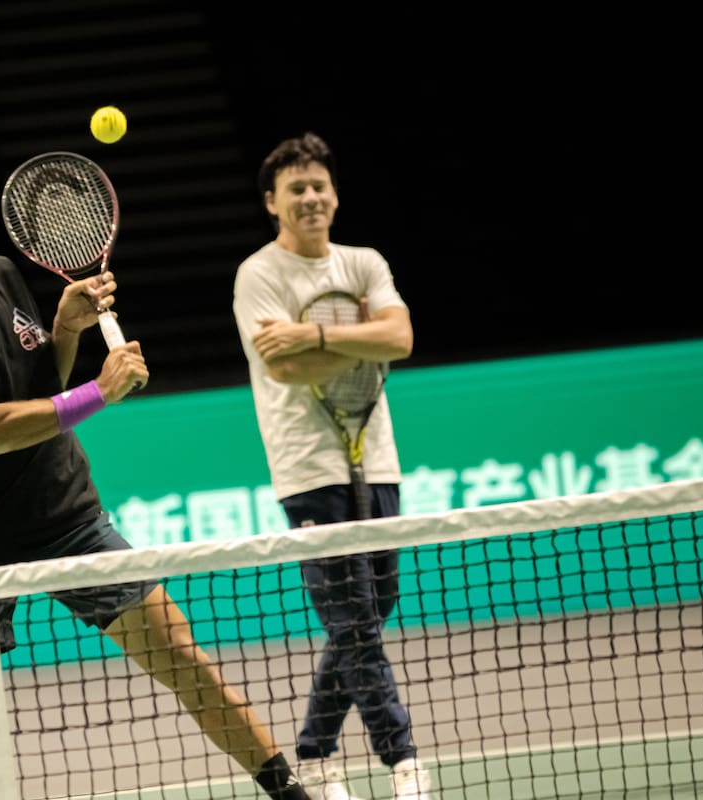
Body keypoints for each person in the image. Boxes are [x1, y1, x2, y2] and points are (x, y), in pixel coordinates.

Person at [0, 165, 311, 800]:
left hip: (68, 519)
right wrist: (101, 391)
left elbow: (41, 387)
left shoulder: (5, 277)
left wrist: (64, 329)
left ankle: (288, 792)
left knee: (182, 655)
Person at [231, 132, 431, 800]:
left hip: (376, 461)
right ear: (272, 203)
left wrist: (316, 335)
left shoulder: (364, 262)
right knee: (353, 621)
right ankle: (402, 759)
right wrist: (360, 339)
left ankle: (315, 753)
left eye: (319, 186)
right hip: (308, 468)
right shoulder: (259, 275)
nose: (311, 197)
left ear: (335, 196)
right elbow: (282, 367)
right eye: (296, 189)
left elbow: (400, 337)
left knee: (372, 612)